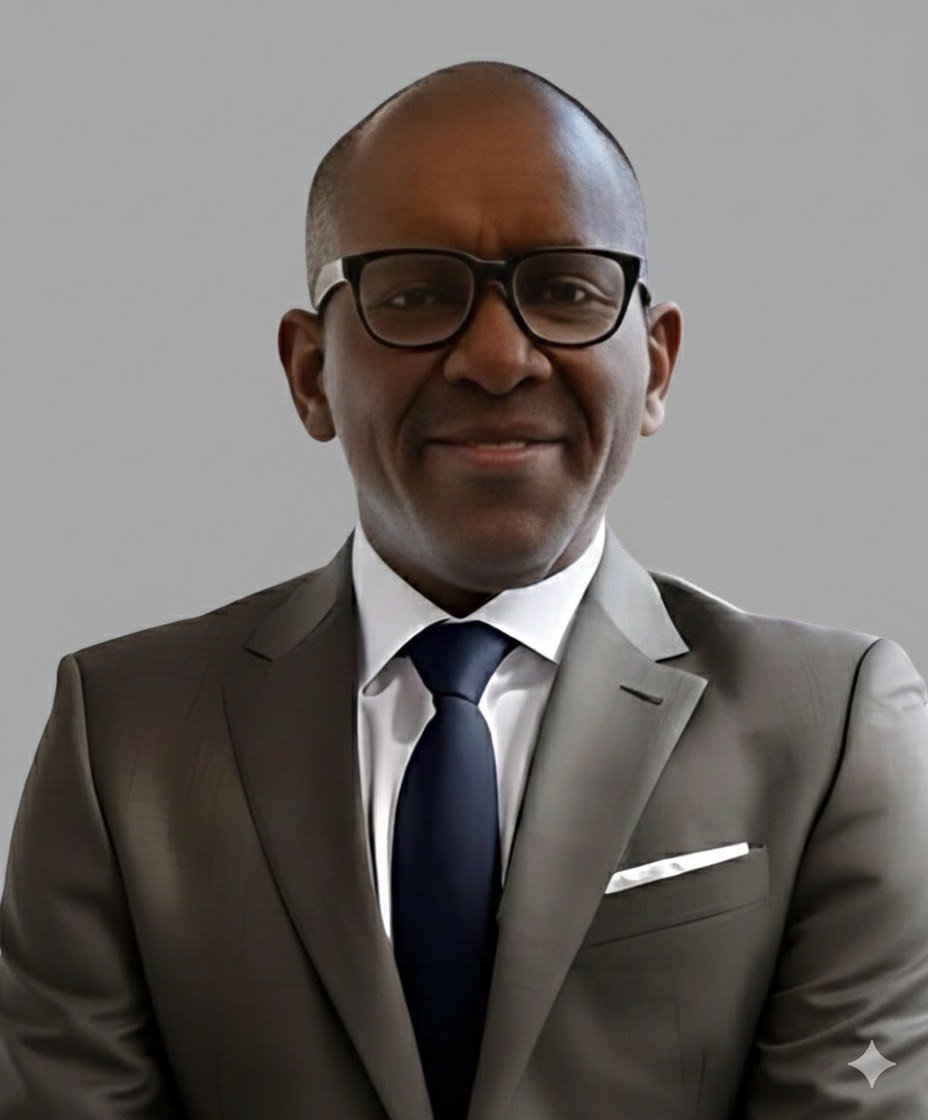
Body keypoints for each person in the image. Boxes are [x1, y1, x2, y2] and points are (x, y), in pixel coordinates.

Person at [1, 59, 926, 1120]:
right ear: (310, 373)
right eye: (417, 293)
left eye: (567, 288)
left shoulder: (829, 729)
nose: (496, 357)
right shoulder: (124, 736)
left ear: (656, 366)